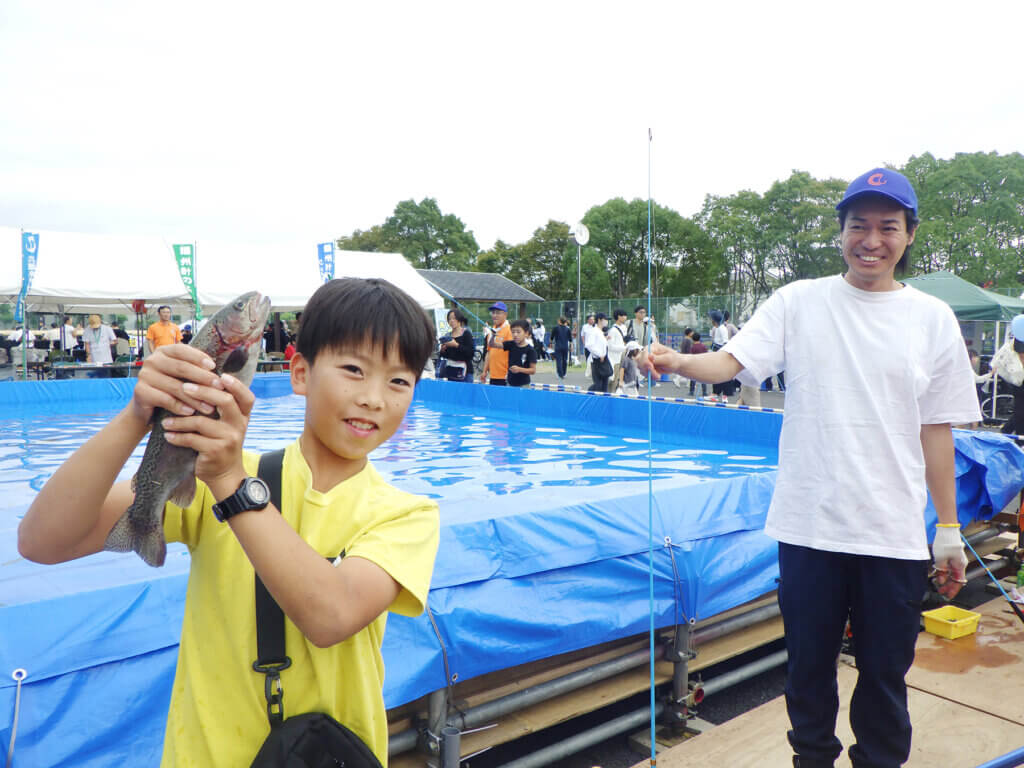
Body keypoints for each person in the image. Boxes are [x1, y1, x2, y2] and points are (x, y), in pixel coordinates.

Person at [18, 277, 440, 766]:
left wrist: (230, 481)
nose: (373, 398)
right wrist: (138, 414)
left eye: (399, 381)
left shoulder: (405, 515)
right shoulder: (209, 481)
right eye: (352, 369)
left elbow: (331, 616)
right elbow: (42, 540)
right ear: (299, 373)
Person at [640, 167, 980, 768]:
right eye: (858, 225)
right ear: (841, 232)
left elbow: (937, 429)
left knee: (883, 677)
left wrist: (948, 531)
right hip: (808, 529)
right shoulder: (799, 301)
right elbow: (729, 362)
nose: (871, 240)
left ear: (910, 235)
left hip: (893, 534)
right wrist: (678, 362)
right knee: (807, 671)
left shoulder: (931, 319)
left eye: (887, 227)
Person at [490, 319, 537, 387]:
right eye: (513, 332)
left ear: (526, 333)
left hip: (524, 385)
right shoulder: (511, 344)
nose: (515, 335)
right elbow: (492, 345)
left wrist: (519, 369)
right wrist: (493, 336)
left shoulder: (530, 350)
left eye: (518, 332)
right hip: (510, 383)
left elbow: (533, 370)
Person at [479, 301, 513, 385]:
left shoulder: (510, 330)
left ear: (505, 314)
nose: (494, 315)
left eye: (498, 313)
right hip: (493, 376)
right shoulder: (492, 331)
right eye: (493, 313)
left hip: (505, 376)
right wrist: (484, 371)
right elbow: (489, 352)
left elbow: (513, 352)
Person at [439, 309, 475, 382]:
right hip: (451, 371)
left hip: (465, 372)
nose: (452, 321)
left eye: (454, 318)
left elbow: (470, 353)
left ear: (459, 319)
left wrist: (456, 345)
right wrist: (443, 350)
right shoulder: (448, 335)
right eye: (449, 319)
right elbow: (446, 356)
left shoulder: (466, 333)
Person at [585, 313, 611, 392]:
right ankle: (589, 394)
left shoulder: (600, 331)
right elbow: (589, 345)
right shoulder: (594, 331)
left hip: (604, 359)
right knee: (598, 385)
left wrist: (605, 339)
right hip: (597, 360)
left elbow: (599, 344)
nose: (606, 322)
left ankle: (603, 402)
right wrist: (600, 355)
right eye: (605, 319)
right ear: (599, 320)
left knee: (604, 384)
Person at [607, 309, 631, 392]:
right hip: (615, 358)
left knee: (620, 378)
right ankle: (610, 394)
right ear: (618, 317)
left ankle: (615, 394)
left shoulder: (624, 327)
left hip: (623, 355)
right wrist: (623, 348)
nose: (625, 317)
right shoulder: (612, 330)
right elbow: (610, 346)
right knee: (614, 379)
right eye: (623, 315)